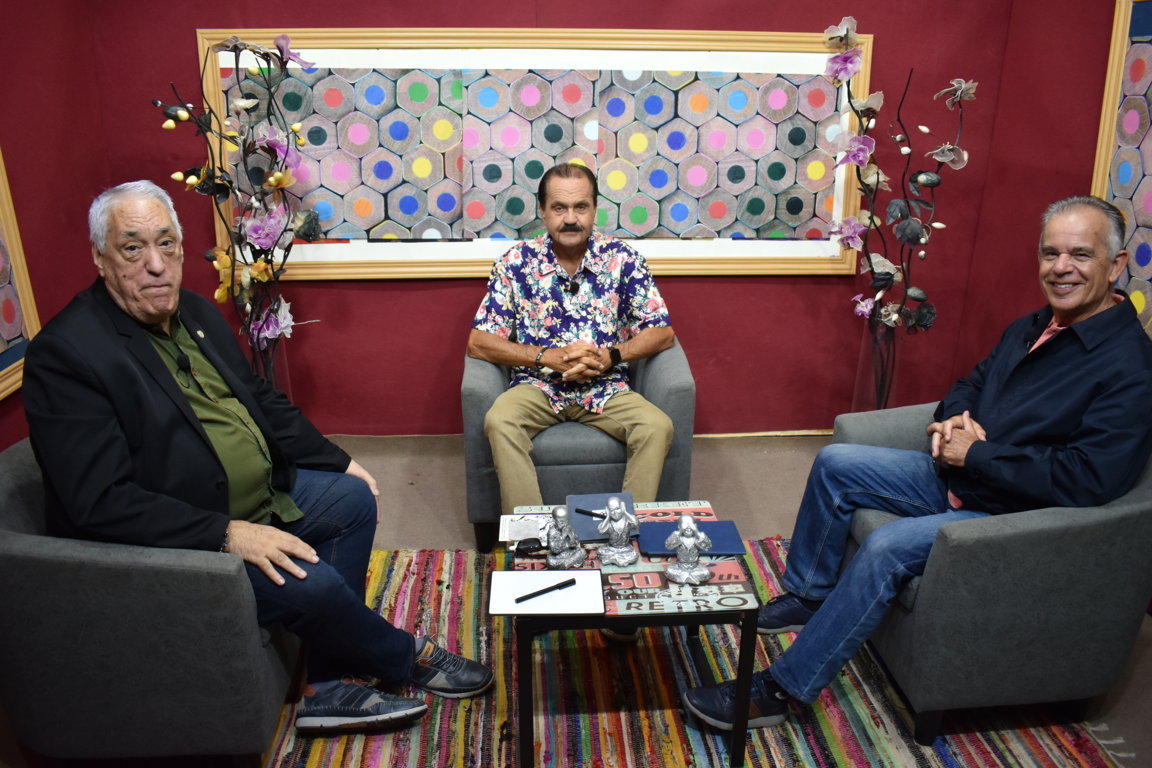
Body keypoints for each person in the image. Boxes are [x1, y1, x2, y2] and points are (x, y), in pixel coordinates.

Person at [22, 181, 492, 735]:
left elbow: (258, 397)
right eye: (132, 248)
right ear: (100, 258)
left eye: (167, 244)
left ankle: (325, 686)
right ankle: (403, 655)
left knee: (351, 499)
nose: (155, 265)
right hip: (187, 536)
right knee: (315, 586)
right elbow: (99, 502)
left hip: (256, 498)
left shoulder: (193, 311)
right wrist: (228, 533)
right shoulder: (67, 354)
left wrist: (338, 460)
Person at [683, 195, 1152, 730]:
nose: (1061, 268)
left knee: (886, 547)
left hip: (1009, 513)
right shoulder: (1037, 324)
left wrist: (977, 453)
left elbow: (1088, 479)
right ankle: (811, 595)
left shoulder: (1130, 366)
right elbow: (971, 382)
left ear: (1116, 265)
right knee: (836, 462)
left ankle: (782, 691)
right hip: (964, 477)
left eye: (1080, 255)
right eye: (1051, 253)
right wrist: (954, 420)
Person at [467, 162, 676, 520]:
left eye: (580, 207)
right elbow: (478, 342)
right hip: (538, 385)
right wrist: (545, 356)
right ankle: (532, 535)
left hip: (605, 386)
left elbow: (662, 332)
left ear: (595, 209)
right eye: (559, 208)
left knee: (657, 427)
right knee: (500, 420)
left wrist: (611, 355)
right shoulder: (515, 262)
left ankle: (622, 533)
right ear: (542, 211)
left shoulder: (623, 259)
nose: (570, 219)